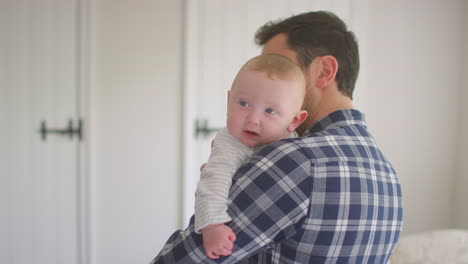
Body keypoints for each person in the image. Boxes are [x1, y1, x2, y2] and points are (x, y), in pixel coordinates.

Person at [151, 10, 403, 264]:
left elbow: (181, 260)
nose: (265, 82)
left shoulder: (295, 159)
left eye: (284, 68)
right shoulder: (388, 174)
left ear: (324, 71)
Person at [195, 54, 308, 259]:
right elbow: (213, 183)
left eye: (270, 111)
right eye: (244, 103)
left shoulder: (296, 146)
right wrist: (212, 226)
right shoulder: (231, 143)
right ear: (229, 101)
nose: (253, 119)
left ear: (294, 121)